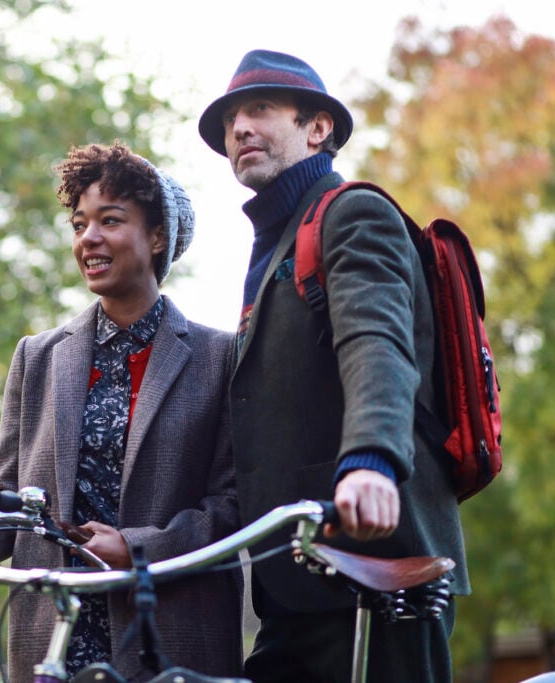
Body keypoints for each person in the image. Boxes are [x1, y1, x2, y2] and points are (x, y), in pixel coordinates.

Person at [0, 142, 243, 683]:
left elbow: (236, 507)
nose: (88, 238)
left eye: (110, 220)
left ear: (158, 236)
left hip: (171, 641)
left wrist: (136, 548)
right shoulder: (38, 357)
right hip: (52, 644)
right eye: (79, 224)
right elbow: (8, 517)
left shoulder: (221, 357)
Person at [196, 49, 469, 682]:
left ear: (318, 129)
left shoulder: (352, 213)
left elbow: (378, 341)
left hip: (380, 579)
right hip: (296, 582)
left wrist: (371, 459)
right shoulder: (275, 244)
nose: (240, 128)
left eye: (260, 108)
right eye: (232, 117)